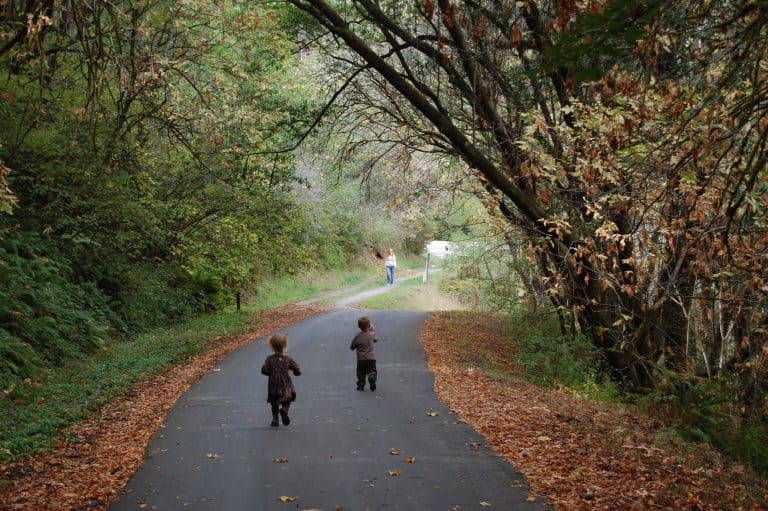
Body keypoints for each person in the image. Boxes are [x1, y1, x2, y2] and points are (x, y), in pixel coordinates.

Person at [261, 334, 301, 427]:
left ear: (271, 346)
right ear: (285, 346)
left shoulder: (269, 359)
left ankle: (275, 420)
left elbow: (264, 370)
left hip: (273, 384)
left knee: (274, 402)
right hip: (285, 383)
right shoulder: (288, 359)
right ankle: (284, 410)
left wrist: (271, 373)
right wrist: (296, 372)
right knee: (288, 397)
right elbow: (297, 369)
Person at [350, 316, 378, 391]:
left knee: (360, 373)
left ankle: (361, 384)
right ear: (369, 326)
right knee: (372, 370)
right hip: (371, 359)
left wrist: (355, 346)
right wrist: (372, 330)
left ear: (359, 326)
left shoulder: (357, 336)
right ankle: (371, 375)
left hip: (361, 359)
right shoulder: (371, 335)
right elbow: (376, 340)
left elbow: (352, 347)